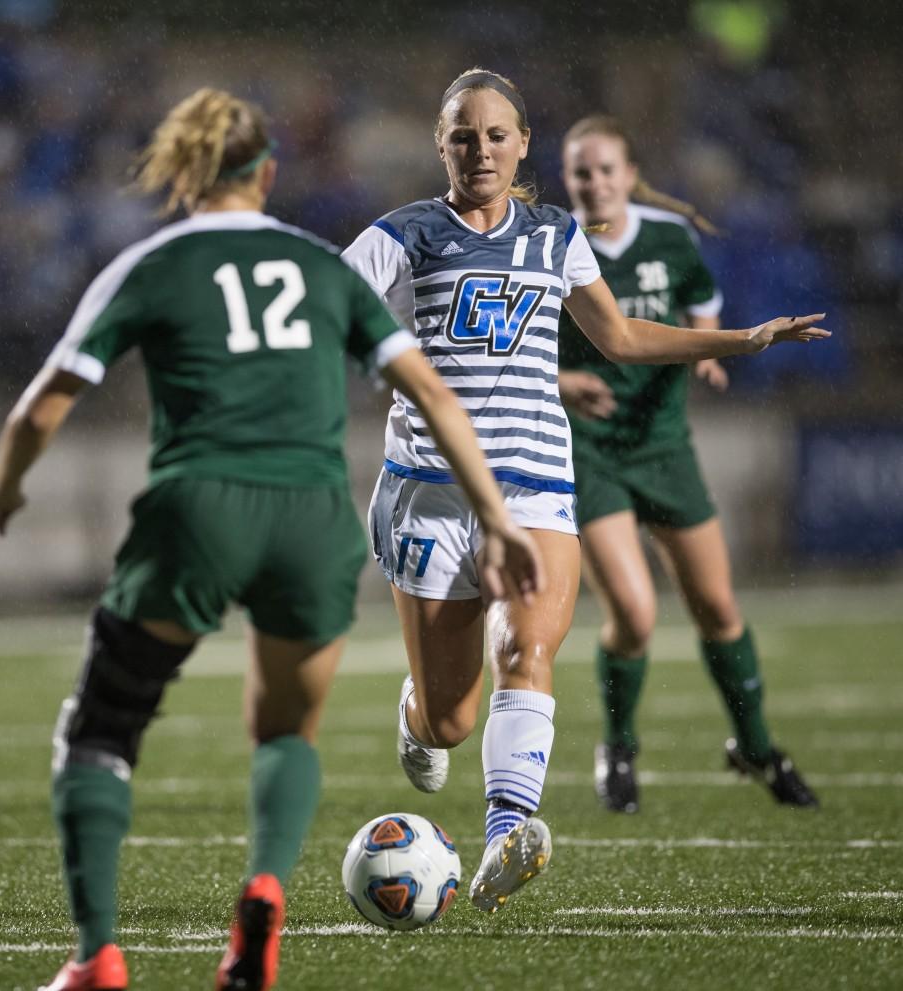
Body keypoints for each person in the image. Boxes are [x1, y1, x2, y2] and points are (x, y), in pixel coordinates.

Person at [0, 88, 545, 991]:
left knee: (102, 730)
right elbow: (431, 390)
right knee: (286, 731)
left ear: (185, 174)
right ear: (268, 174)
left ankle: (96, 959)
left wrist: (2, 489)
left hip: (200, 509)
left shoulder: (153, 264)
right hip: (312, 521)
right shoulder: (317, 264)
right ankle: (261, 904)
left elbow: (46, 400)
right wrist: (499, 517)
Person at [342, 68, 827, 913]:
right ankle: (417, 714)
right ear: (441, 146)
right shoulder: (402, 234)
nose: (480, 150)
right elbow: (326, 308)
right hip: (429, 491)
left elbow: (620, 334)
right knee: (450, 718)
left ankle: (507, 831)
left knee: (526, 650)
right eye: (463, 136)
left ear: (525, 143)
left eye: (497, 135)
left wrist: (741, 339)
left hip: (534, 483)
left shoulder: (556, 235)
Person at [557, 114, 819, 813]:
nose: (593, 183)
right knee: (635, 613)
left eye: (606, 169)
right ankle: (618, 747)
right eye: (580, 171)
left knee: (718, 608)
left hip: (665, 444)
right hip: (588, 450)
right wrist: (559, 384)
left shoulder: (671, 239)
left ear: (631, 174)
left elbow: (702, 307)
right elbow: (514, 348)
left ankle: (758, 747)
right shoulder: (553, 246)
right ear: (566, 178)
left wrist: (706, 349)